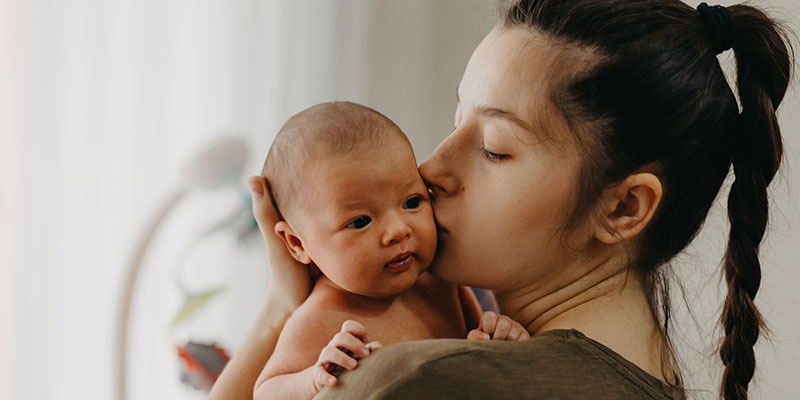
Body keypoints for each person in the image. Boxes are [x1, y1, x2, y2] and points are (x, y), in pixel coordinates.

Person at [210, 1, 793, 399]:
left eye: (492, 148)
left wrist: (282, 316)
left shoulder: (422, 381)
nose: (431, 169)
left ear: (622, 208)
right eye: (455, 119)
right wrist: (293, 305)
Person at [252, 101, 519, 400]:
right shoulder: (317, 318)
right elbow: (266, 392)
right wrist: (313, 379)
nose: (398, 230)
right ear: (298, 244)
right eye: (361, 221)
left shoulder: (439, 282)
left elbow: (477, 342)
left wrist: (497, 339)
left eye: (412, 202)